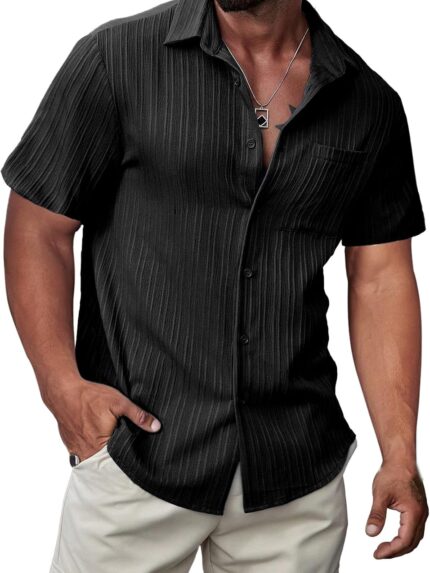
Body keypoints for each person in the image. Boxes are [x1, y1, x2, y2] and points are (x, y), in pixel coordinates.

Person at [2, 0, 428, 570]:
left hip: (294, 475)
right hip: (138, 456)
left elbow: (380, 280)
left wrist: (399, 453)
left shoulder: (368, 101)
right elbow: (39, 229)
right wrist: (61, 387)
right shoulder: (117, 58)